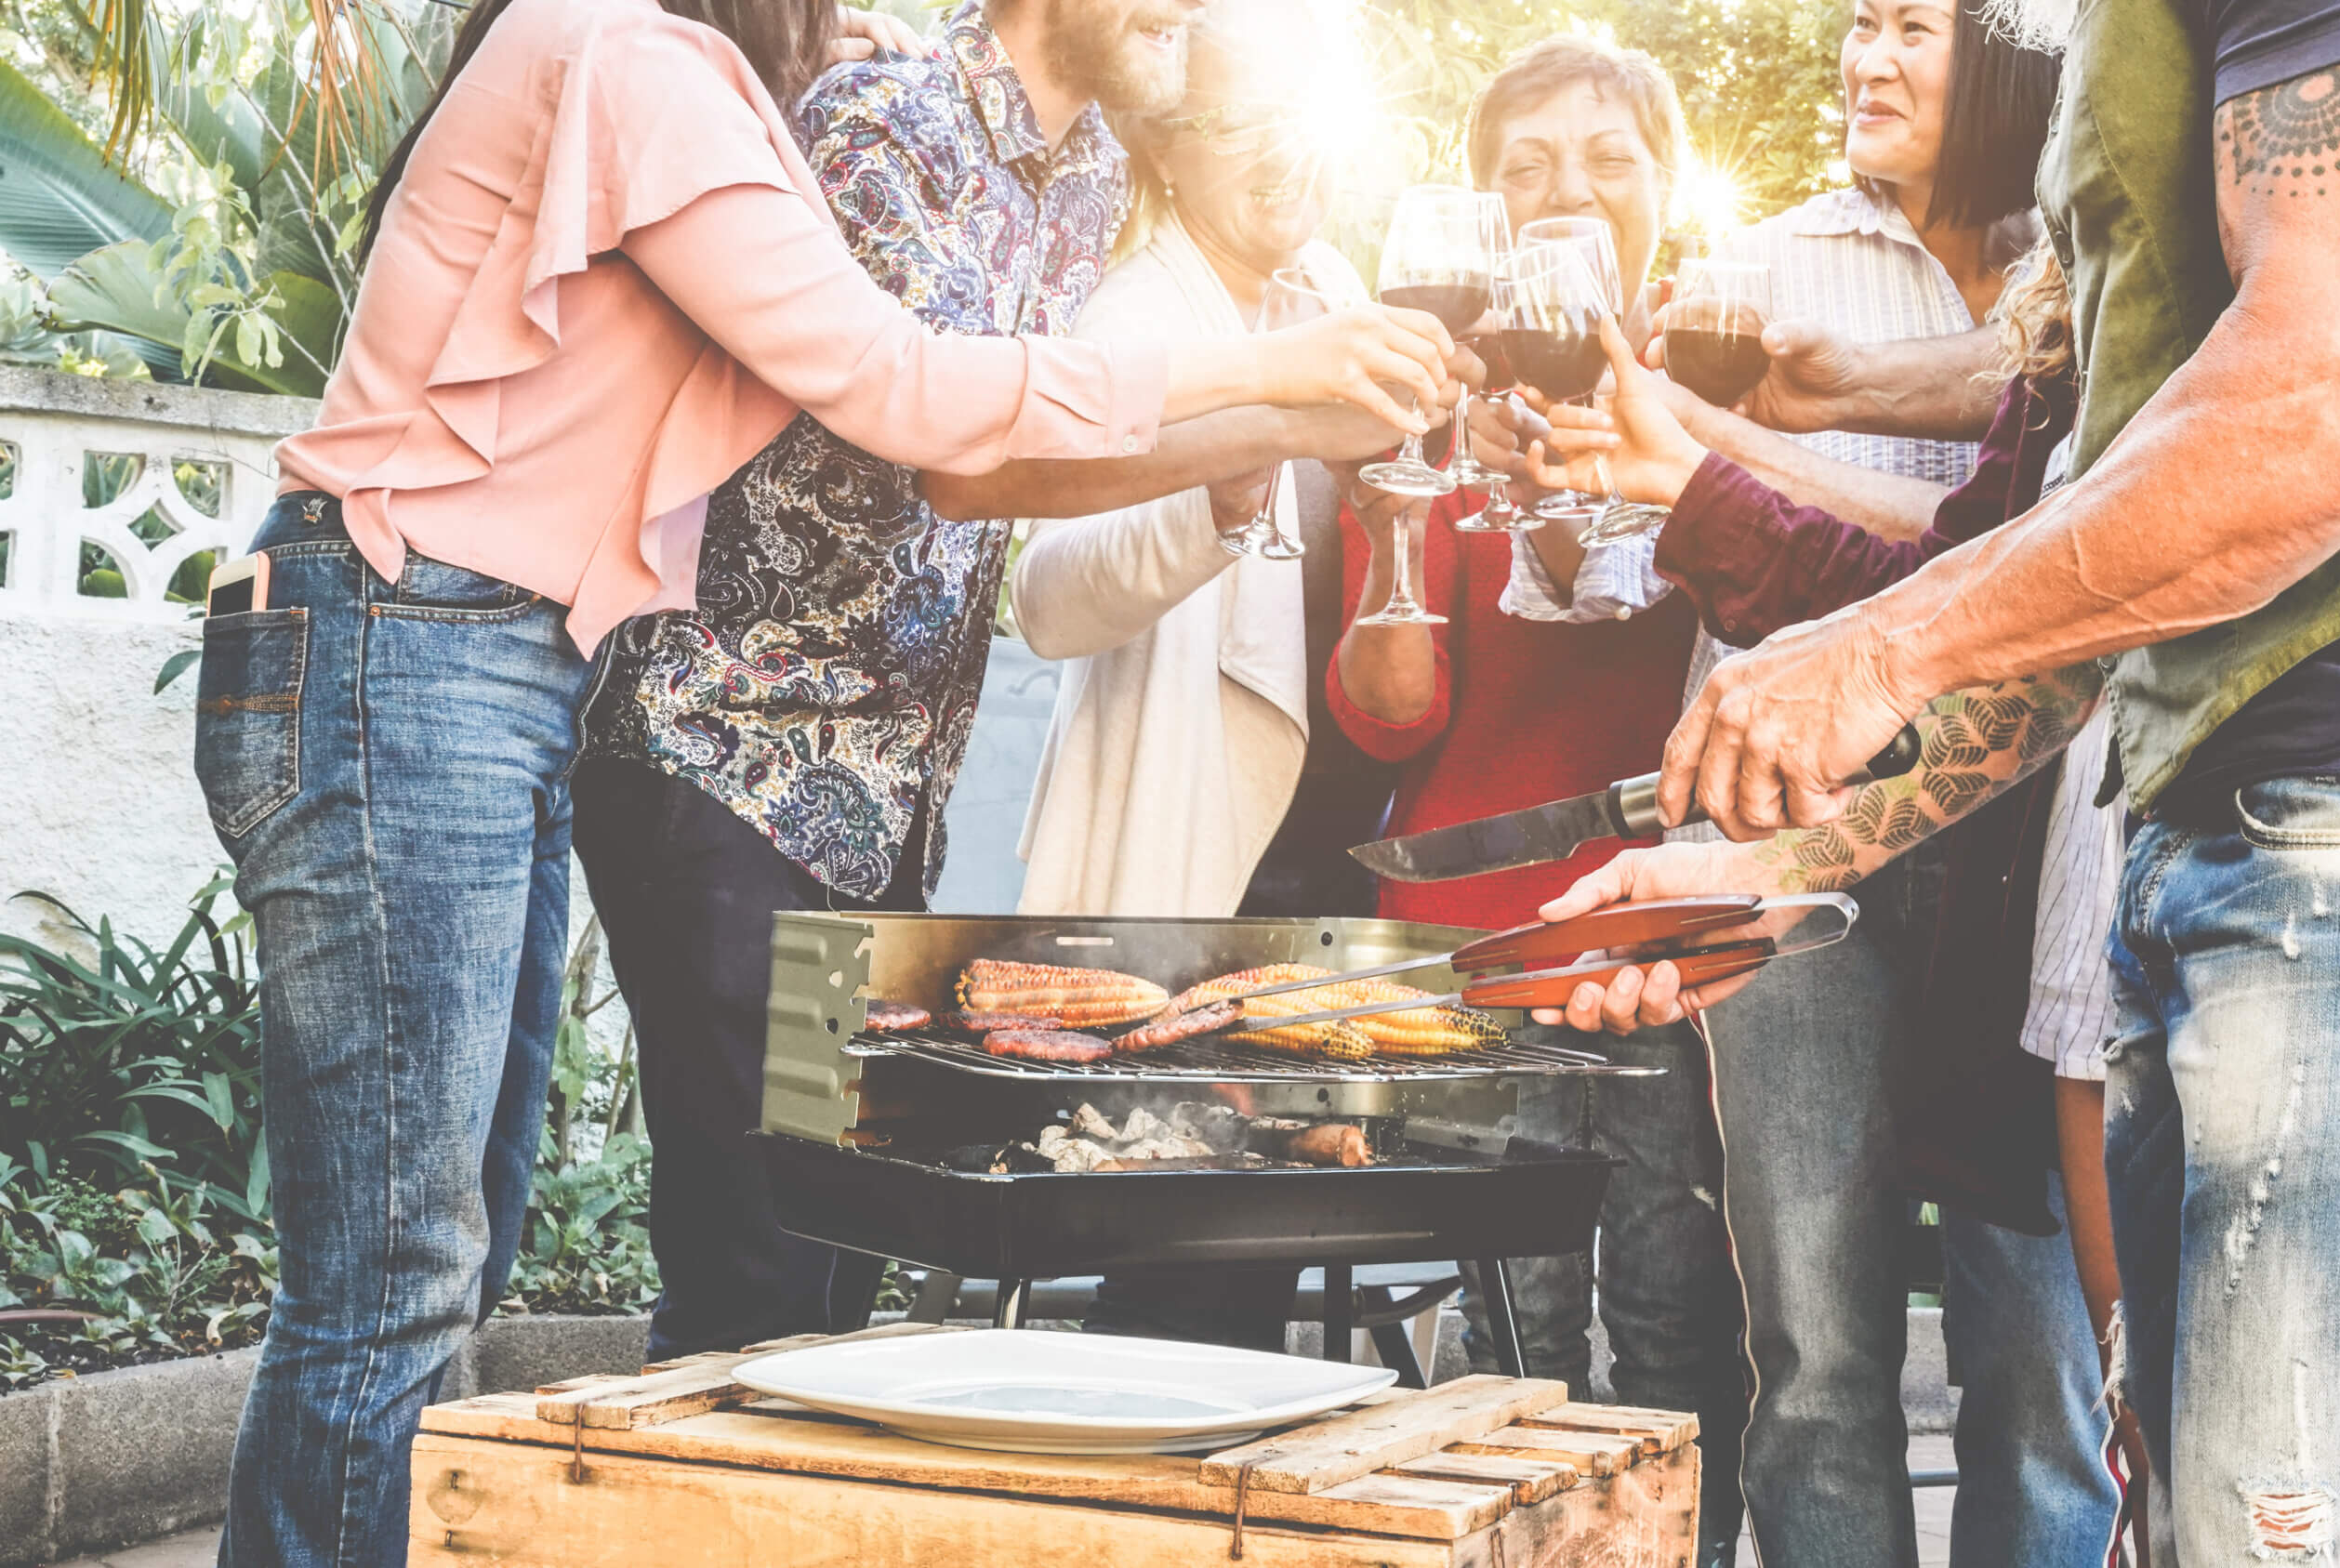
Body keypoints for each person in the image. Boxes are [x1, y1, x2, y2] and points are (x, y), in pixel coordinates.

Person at [188, 0, 1454, 1558]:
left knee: (644, 1264)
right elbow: (927, 412)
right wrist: (1270, 383)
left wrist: (1287, 409)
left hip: (603, 702)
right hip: (663, 745)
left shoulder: (879, 123)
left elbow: (970, 421)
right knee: (587, 1276)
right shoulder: (705, 80)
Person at [1537, 0, 2340, 1557]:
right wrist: (1756, 872)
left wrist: (1873, 648)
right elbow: (2089, 626)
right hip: (2187, 848)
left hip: (2335, 851)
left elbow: (2339, 389)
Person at [570, 0, 1454, 1364]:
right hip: (725, 754)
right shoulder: (888, 125)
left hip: (881, 795)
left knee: (831, 1265)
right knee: (757, 1267)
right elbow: (959, 454)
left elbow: (1070, 417)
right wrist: (1277, 410)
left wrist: (1283, 425)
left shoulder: (1093, 169)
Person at [1483, 9, 2107, 1567]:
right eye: (1855, 22)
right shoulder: (1765, 269)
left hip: (2039, 850)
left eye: (1917, 22)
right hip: (1801, 834)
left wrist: (1704, 459)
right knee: (1816, 1353)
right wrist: (1658, 465)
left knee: (2046, 1361)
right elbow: (1891, 561)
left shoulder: (2116, 264)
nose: (1865, 58)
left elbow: (1979, 574)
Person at [1328, 38, 1744, 1565]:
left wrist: (1613, 481)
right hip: (1468, 941)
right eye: (1527, 167)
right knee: (1494, 1369)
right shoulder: (1428, 396)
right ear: (1485, 207)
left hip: (1663, 945)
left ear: (1665, 185)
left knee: (1675, 1336)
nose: (1567, 191)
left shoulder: (1719, 382)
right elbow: (1388, 714)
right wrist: (1404, 506)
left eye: (1606, 157)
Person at [1005, 0, 1394, 1350]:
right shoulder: (1140, 311)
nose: (1285, 151)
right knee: (1183, 1259)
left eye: (1305, 115)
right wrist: (1219, 495)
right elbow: (1048, 599)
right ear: (1165, 151)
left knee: (1284, 1254)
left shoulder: (1339, 296)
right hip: (1202, 855)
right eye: (1241, 120)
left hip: (1336, 863)